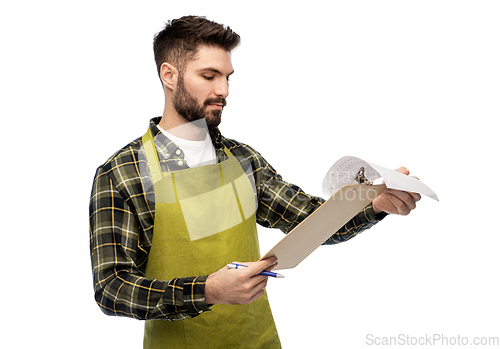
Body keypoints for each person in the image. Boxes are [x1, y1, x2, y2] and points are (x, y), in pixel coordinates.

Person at [89, 15, 421, 348]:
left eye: (227, 78)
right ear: (169, 75)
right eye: (209, 76)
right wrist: (207, 291)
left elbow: (313, 222)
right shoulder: (123, 173)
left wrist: (375, 205)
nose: (224, 91)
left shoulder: (244, 160)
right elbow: (111, 288)